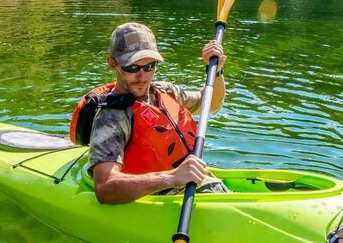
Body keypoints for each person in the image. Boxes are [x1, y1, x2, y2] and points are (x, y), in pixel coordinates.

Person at [70, 22, 229, 204]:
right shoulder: (111, 118)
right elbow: (105, 188)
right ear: (112, 64)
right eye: (132, 68)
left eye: (149, 66)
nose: (143, 76)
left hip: (199, 184)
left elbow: (211, 103)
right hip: (165, 200)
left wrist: (216, 71)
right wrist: (171, 178)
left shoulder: (165, 92)